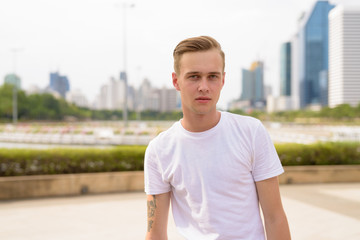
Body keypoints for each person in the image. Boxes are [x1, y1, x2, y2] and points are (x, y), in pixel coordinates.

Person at [144, 36, 291, 240]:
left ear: (222, 80)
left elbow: (275, 217)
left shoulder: (251, 131)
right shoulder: (159, 149)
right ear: (176, 81)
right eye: (194, 76)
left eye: (212, 76)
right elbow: (155, 233)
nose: (204, 86)